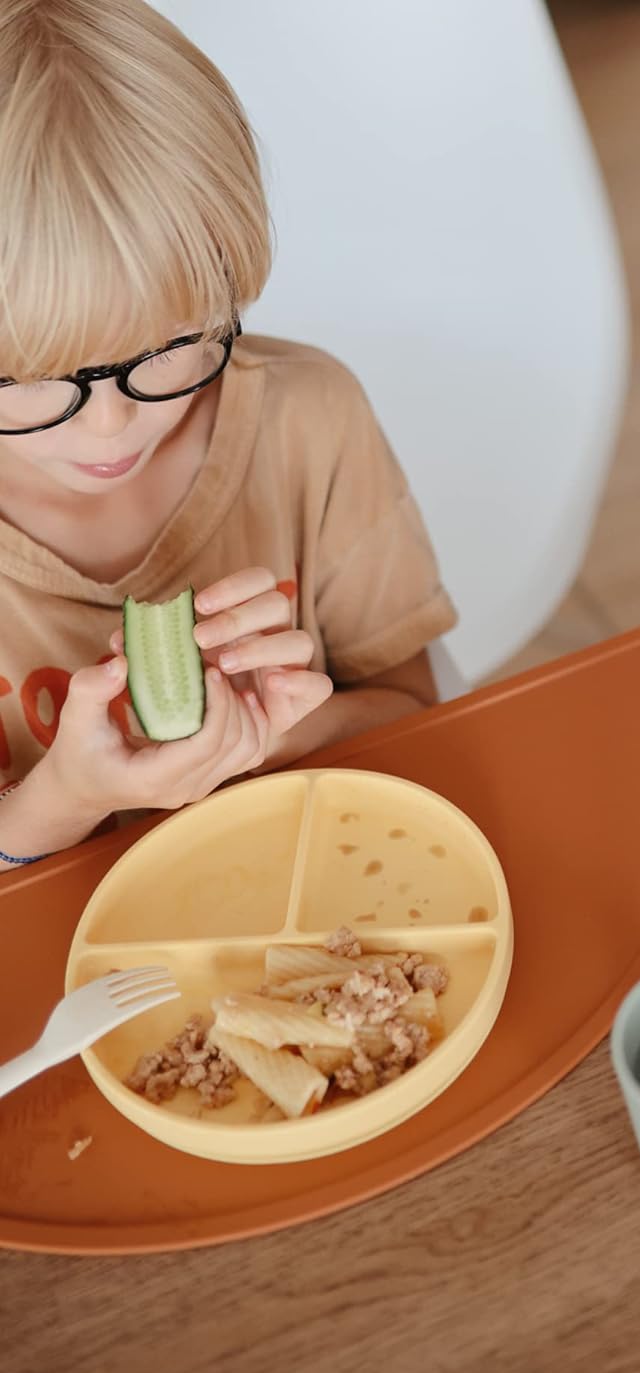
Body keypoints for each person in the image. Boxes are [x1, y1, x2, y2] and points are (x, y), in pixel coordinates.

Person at [0, 0, 457, 870]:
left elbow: (411, 706)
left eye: (169, 347)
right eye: (28, 379)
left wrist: (262, 736)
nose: (111, 422)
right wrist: (61, 801)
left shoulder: (309, 419)